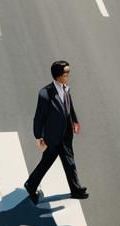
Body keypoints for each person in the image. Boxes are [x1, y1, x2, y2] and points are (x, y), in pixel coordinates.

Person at [24, 60, 88, 204]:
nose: (68, 75)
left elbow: (69, 107)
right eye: (66, 72)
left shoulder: (66, 88)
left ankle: (76, 189)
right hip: (52, 137)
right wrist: (38, 136)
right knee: (46, 163)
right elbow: (39, 117)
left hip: (66, 134)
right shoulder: (45, 94)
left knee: (69, 162)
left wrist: (75, 121)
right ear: (58, 75)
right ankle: (31, 185)